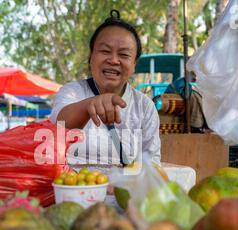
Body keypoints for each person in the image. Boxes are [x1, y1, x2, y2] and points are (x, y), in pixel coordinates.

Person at [50, 10, 161, 171]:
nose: (113, 60)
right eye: (105, 51)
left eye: (124, 54)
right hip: (72, 192)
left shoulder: (145, 108)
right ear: (91, 56)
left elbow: (152, 167)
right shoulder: (72, 92)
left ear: (134, 64)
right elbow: (57, 127)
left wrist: (122, 185)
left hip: (123, 194)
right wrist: (91, 104)